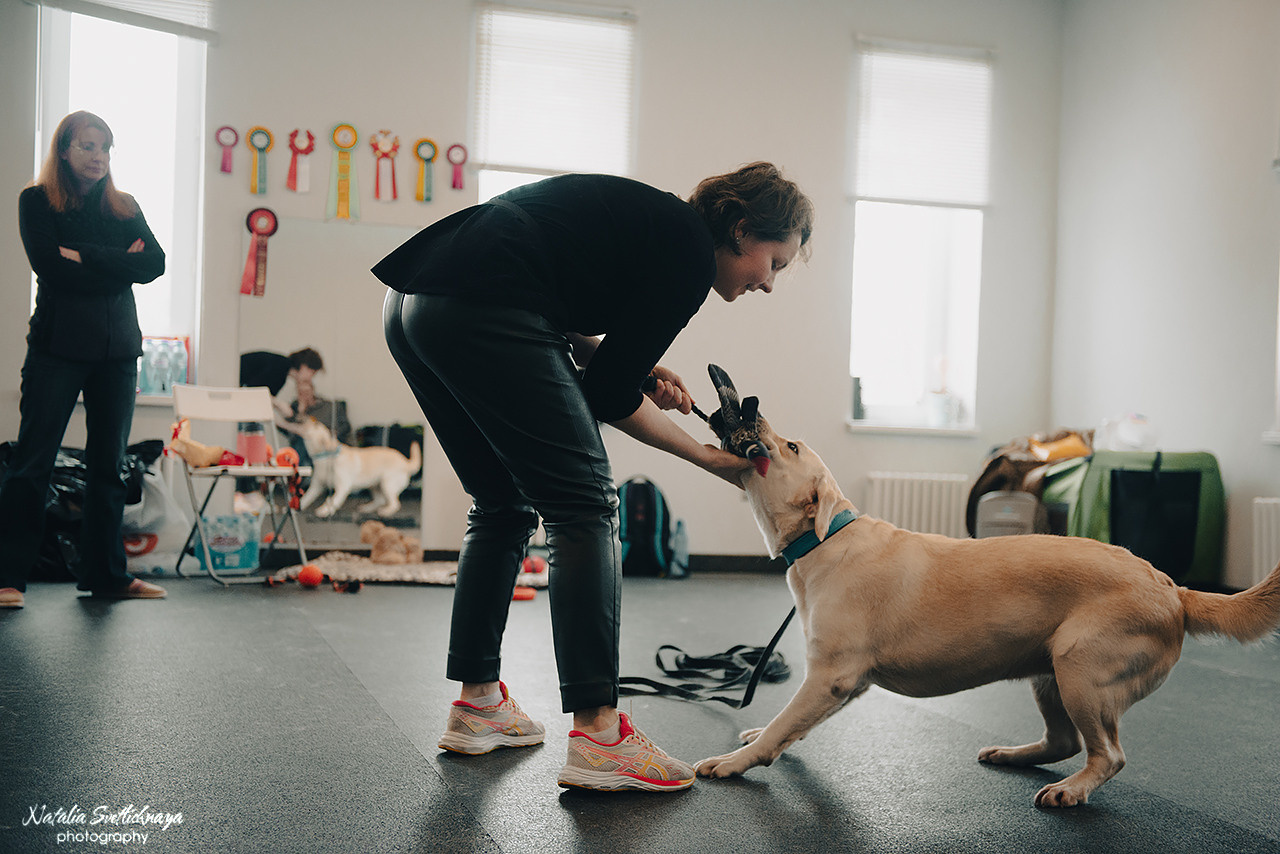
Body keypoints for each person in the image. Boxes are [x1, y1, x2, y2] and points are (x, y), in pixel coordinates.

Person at [374, 163, 813, 791]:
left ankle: (479, 708)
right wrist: (706, 456)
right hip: (479, 300)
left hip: (417, 301)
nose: (769, 284)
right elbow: (606, 397)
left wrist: (632, 361)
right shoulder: (689, 253)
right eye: (774, 263)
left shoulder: (657, 225)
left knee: (501, 501)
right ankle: (602, 735)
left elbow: (557, 305)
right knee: (585, 503)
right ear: (743, 230)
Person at [0, 111, 167, 609]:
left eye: (105, 148)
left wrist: (85, 255)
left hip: (118, 353)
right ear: (65, 150)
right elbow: (52, 269)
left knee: (108, 468)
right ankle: (8, 577)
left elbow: (153, 263)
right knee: (32, 465)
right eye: (88, 146)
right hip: (57, 350)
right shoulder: (36, 202)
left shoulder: (125, 205)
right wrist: (118, 262)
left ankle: (106, 576)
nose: (98, 157)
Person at [238, 347, 324, 422]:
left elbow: (264, 399)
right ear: (304, 366)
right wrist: (279, 404)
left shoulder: (282, 374)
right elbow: (254, 391)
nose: (310, 378)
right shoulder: (280, 365)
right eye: (312, 373)